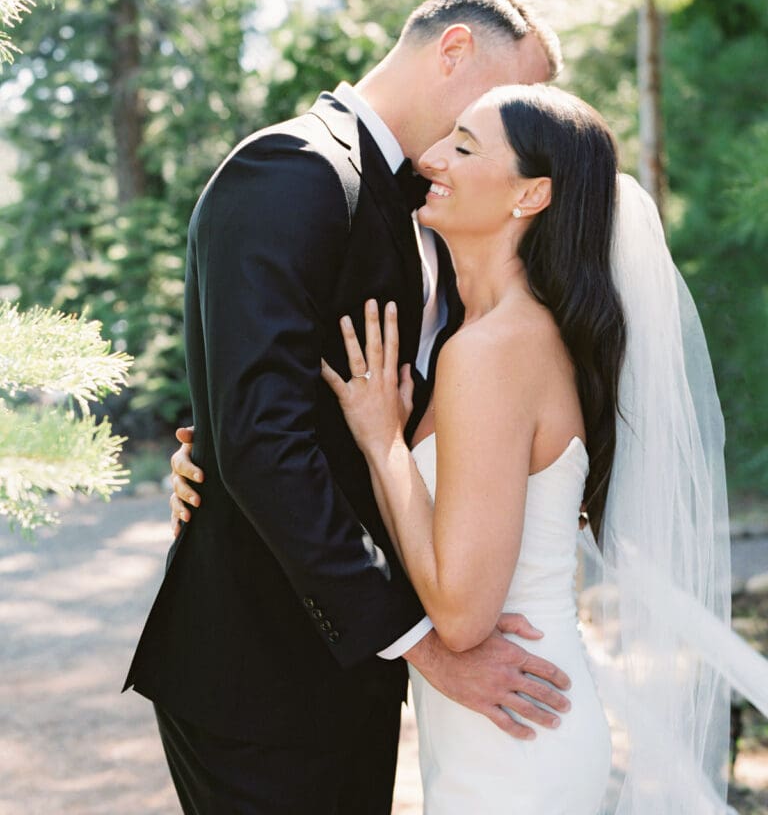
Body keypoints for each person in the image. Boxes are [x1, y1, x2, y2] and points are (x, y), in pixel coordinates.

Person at [173, 83, 768, 813]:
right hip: (497, 723)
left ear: (531, 195)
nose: (430, 159)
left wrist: (384, 442)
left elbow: (460, 615)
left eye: (464, 146)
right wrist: (214, 461)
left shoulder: (495, 351)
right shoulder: (483, 336)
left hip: (512, 731)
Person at [124, 0, 575, 815]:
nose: (515, 118)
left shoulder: (436, 215)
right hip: (258, 677)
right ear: (453, 51)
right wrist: (421, 647)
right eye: (509, 90)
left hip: (350, 670)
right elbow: (261, 437)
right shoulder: (290, 170)